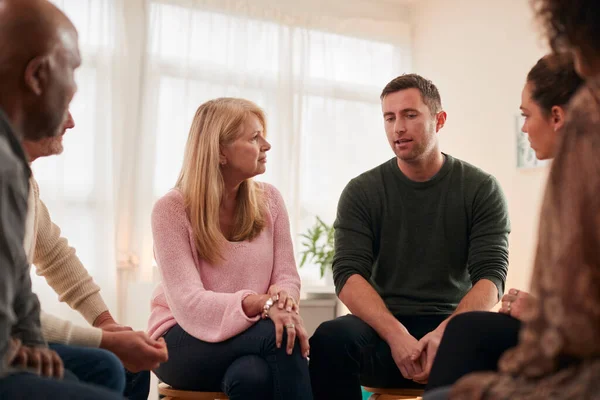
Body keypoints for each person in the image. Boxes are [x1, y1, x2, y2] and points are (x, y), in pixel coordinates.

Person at [428, 0, 600, 398]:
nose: (523, 127)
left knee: (461, 353)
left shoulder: (586, 132)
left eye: (526, 115)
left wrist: (539, 318)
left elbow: (571, 324)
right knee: (469, 331)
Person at [308, 73, 511, 400]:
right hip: (383, 330)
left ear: (439, 120)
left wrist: (445, 334)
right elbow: (347, 274)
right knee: (330, 339)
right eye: (389, 118)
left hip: (452, 328)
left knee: (500, 342)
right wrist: (396, 336)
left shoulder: (480, 188)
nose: (397, 127)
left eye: (410, 115)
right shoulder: (362, 191)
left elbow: (491, 276)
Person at [148, 97, 313, 400]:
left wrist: (281, 303)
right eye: (254, 137)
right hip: (179, 339)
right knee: (281, 338)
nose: (267, 145)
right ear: (221, 151)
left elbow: (287, 277)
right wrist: (262, 304)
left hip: (251, 335)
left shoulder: (270, 201)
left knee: (252, 377)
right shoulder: (171, 210)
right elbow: (190, 304)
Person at [0, 0, 123, 398]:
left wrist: (33, 345)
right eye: (71, 71)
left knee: (108, 368)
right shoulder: (4, 165)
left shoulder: (16, 169)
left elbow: (26, 275)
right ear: (36, 75)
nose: (73, 93)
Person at [21, 110, 168, 398]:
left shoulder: (23, 182)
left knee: (124, 368)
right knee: (105, 367)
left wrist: (105, 323)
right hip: (9, 342)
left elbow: (56, 256)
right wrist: (104, 340)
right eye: (61, 104)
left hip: (14, 338)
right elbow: (13, 314)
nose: (71, 121)